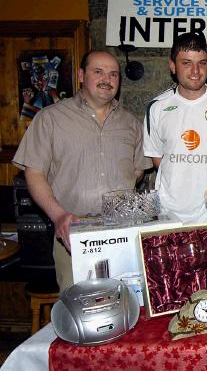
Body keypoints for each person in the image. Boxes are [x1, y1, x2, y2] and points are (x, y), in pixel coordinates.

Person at [12, 50, 150, 292]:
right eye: (98, 72)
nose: (107, 79)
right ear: (81, 75)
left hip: (122, 235)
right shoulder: (50, 119)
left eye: (113, 74)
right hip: (73, 234)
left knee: (127, 308)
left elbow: (138, 171)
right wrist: (59, 216)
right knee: (80, 310)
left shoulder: (131, 124)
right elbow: (34, 173)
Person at [144, 32, 207, 224]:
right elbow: (158, 158)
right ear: (172, 66)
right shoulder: (157, 107)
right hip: (169, 214)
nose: (195, 70)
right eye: (186, 63)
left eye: (202, 63)